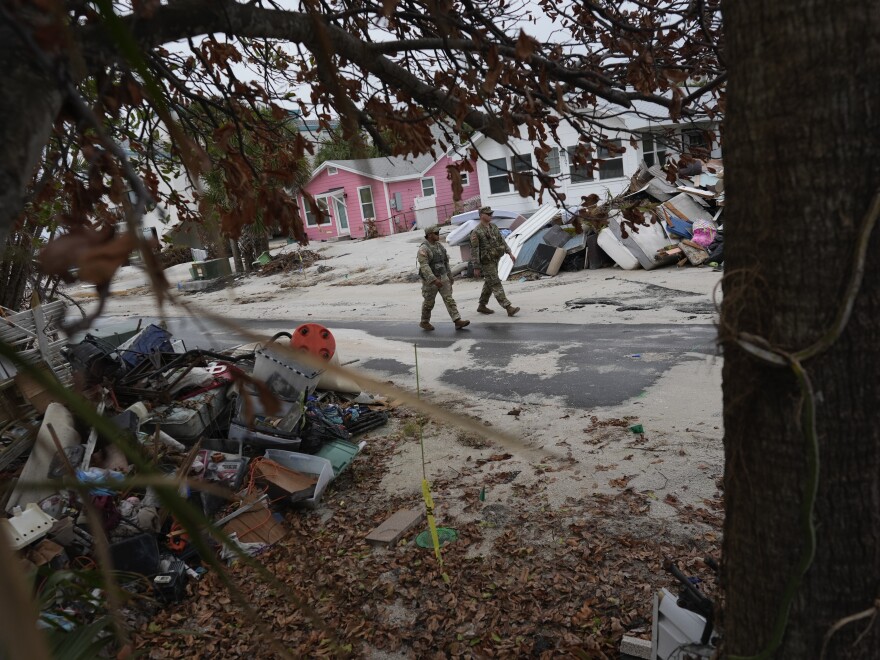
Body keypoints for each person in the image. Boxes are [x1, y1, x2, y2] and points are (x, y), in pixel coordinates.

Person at [417, 225, 470, 331]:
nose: (438, 235)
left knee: (449, 299)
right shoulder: (423, 249)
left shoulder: (440, 247)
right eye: (436, 233)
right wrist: (433, 279)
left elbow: (445, 262)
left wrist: (450, 276)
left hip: (443, 276)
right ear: (429, 235)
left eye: (438, 233)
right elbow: (424, 267)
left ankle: (457, 320)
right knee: (429, 302)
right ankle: (424, 321)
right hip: (430, 281)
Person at [469, 206, 520, 316]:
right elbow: (474, 251)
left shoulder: (494, 227)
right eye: (488, 214)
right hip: (486, 262)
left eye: (491, 213)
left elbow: (502, 241)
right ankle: (508, 307)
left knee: (489, 282)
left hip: (495, 258)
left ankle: (482, 305)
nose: (491, 216)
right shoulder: (476, 232)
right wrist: (476, 267)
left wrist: (510, 253)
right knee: (495, 282)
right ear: (482, 215)